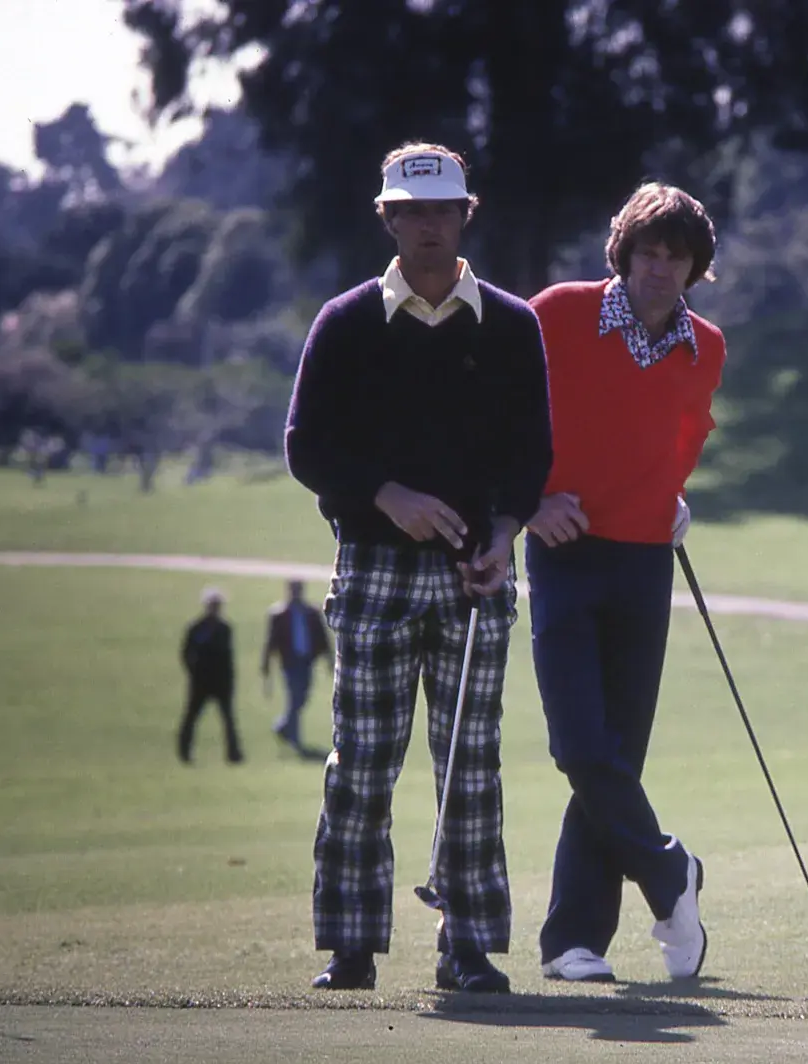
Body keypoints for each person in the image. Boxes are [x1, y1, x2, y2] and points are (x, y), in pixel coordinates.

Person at [286, 142, 553, 994]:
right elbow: (306, 446)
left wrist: (504, 531)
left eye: (442, 210)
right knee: (362, 758)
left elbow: (532, 456)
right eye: (412, 211)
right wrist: (386, 493)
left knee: (470, 765)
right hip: (371, 565)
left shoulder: (512, 324)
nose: (428, 225)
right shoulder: (346, 321)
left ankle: (467, 947)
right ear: (388, 218)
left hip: (475, 573)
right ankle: (351, 946)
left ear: (466, 215)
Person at [522, 183, 724, 984]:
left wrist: (671, 495)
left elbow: (686, 433)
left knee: (615, 757)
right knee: (578, 745)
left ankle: (575, 942)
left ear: (694, 267)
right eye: (650, 252)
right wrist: (530, 501)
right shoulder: (557, 314)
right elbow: (507, 419)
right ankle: (671, 872)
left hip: (645, 559)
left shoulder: (704, 344)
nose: (661, 268)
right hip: (564, 551)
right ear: (625, 253)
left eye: (677, 257)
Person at [261, 579, 332, 749]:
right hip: (289, 662)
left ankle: (282, 725)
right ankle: (294, 738)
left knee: (302, 697)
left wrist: (329, 659)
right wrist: (266, 663)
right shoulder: (279, 614)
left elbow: (322, 637)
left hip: (307, 661)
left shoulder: (311, 612)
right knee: (294, 696)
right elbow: (271, 641)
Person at [178, 587, 243, 765]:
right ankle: (184, 752)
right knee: (191, 717)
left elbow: (229, 658)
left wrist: (230, 681)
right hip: (200, 682)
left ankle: (234, 754)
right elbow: (185, 653)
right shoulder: (196, 628)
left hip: (221, 683)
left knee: (228, 720)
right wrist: (194, 671)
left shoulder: (225, 629)